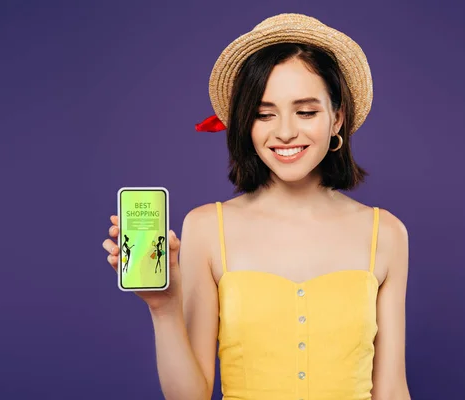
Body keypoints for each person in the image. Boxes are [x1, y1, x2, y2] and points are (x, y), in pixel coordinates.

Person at [103, 13, 410, 400]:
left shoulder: (386, 233)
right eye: (264, 114)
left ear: (338, 118)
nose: (284, 131)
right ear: (247, 123)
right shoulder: (206, 227)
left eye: (306, 111)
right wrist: (163, 308)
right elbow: (191, 396)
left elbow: (392, 389)